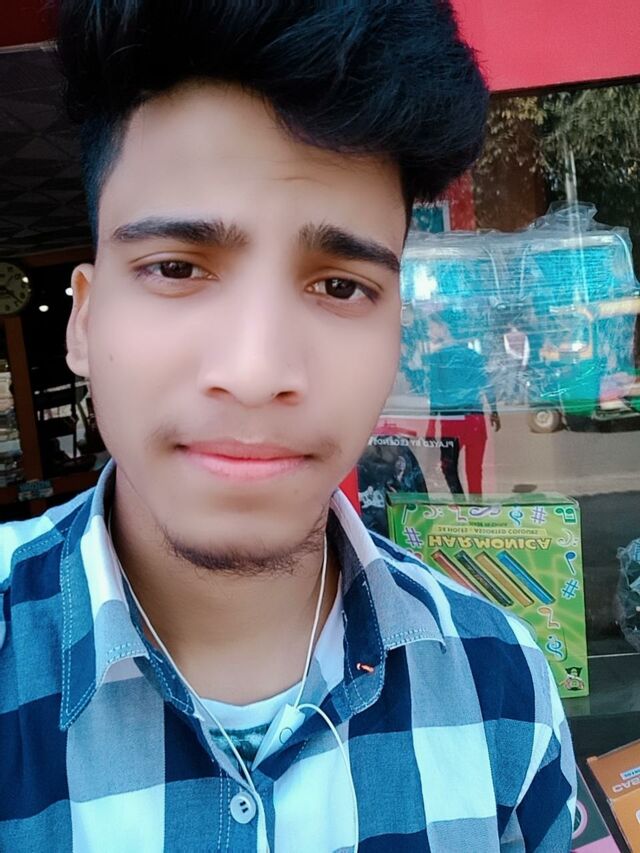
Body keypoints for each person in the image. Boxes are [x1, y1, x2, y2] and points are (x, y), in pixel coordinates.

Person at [0, 2, 575, 851]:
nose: (257, 370)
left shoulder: (504, 689)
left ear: (398, 336)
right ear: (83, 322)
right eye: (176, 267)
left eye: (341, 286)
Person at [426, 311, 501, 496]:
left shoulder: (438, 358)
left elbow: (435, 393)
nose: (429, 331)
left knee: (449, 467)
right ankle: (476, 507)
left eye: (432, 326)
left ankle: (459, 503)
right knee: (474, 470)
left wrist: (431, 425)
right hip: (475, 419)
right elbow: (487, 385)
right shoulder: (474, 356)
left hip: (452, 420)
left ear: (444, 328)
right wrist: (494, 411)